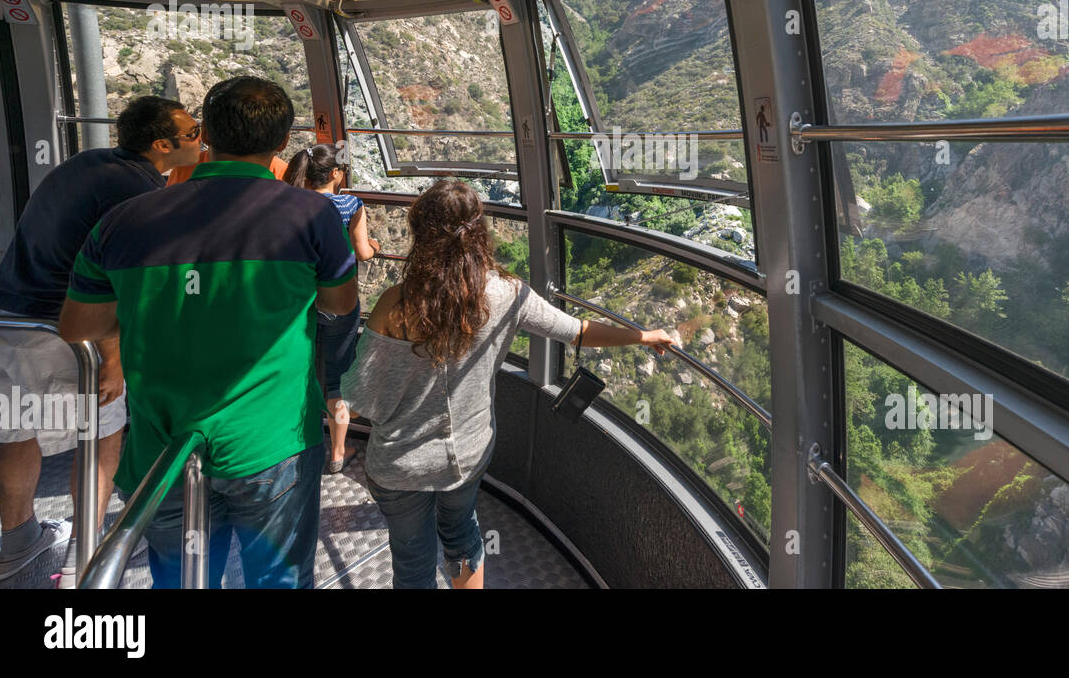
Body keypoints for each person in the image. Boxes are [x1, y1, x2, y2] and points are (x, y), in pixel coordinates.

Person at [58, 76, 357, 589]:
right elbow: (338, 304)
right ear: (283, 143)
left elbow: (78, 325)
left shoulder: (122, 221)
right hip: (274, 441)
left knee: (178, 579)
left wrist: (158, 305)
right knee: (279, 582)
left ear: (209, 135)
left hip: (162, 444)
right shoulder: (313, 217)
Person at [341, 180, 676, 589]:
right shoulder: (508, 295)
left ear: (422, 236)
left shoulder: (396, 304)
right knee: (462, 536)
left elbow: (358, 401)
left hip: (399, 465)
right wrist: (644, 336)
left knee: (412, 559)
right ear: (478, 232)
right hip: (467, 454)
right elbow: (578, 331)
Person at [0, 96, 202, 585]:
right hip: (68, 332)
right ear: (160, 145)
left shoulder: (88, 162)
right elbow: (110, 279)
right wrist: (113, 359)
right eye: (193, 132)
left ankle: (19, 544)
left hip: (8, 316)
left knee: (15, 431)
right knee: (104, 432)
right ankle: (85, 554)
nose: (201, 138)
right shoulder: (140, 193)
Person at [283, 143, 380, 474]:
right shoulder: (349, 203)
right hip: (338, 303)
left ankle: (297, 443)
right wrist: (375, 246)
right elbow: (363, 252)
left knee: (302, 369)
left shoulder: (288, 204)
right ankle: (338, 452)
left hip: (298, 302)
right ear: (336, 174)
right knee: (337, 377)